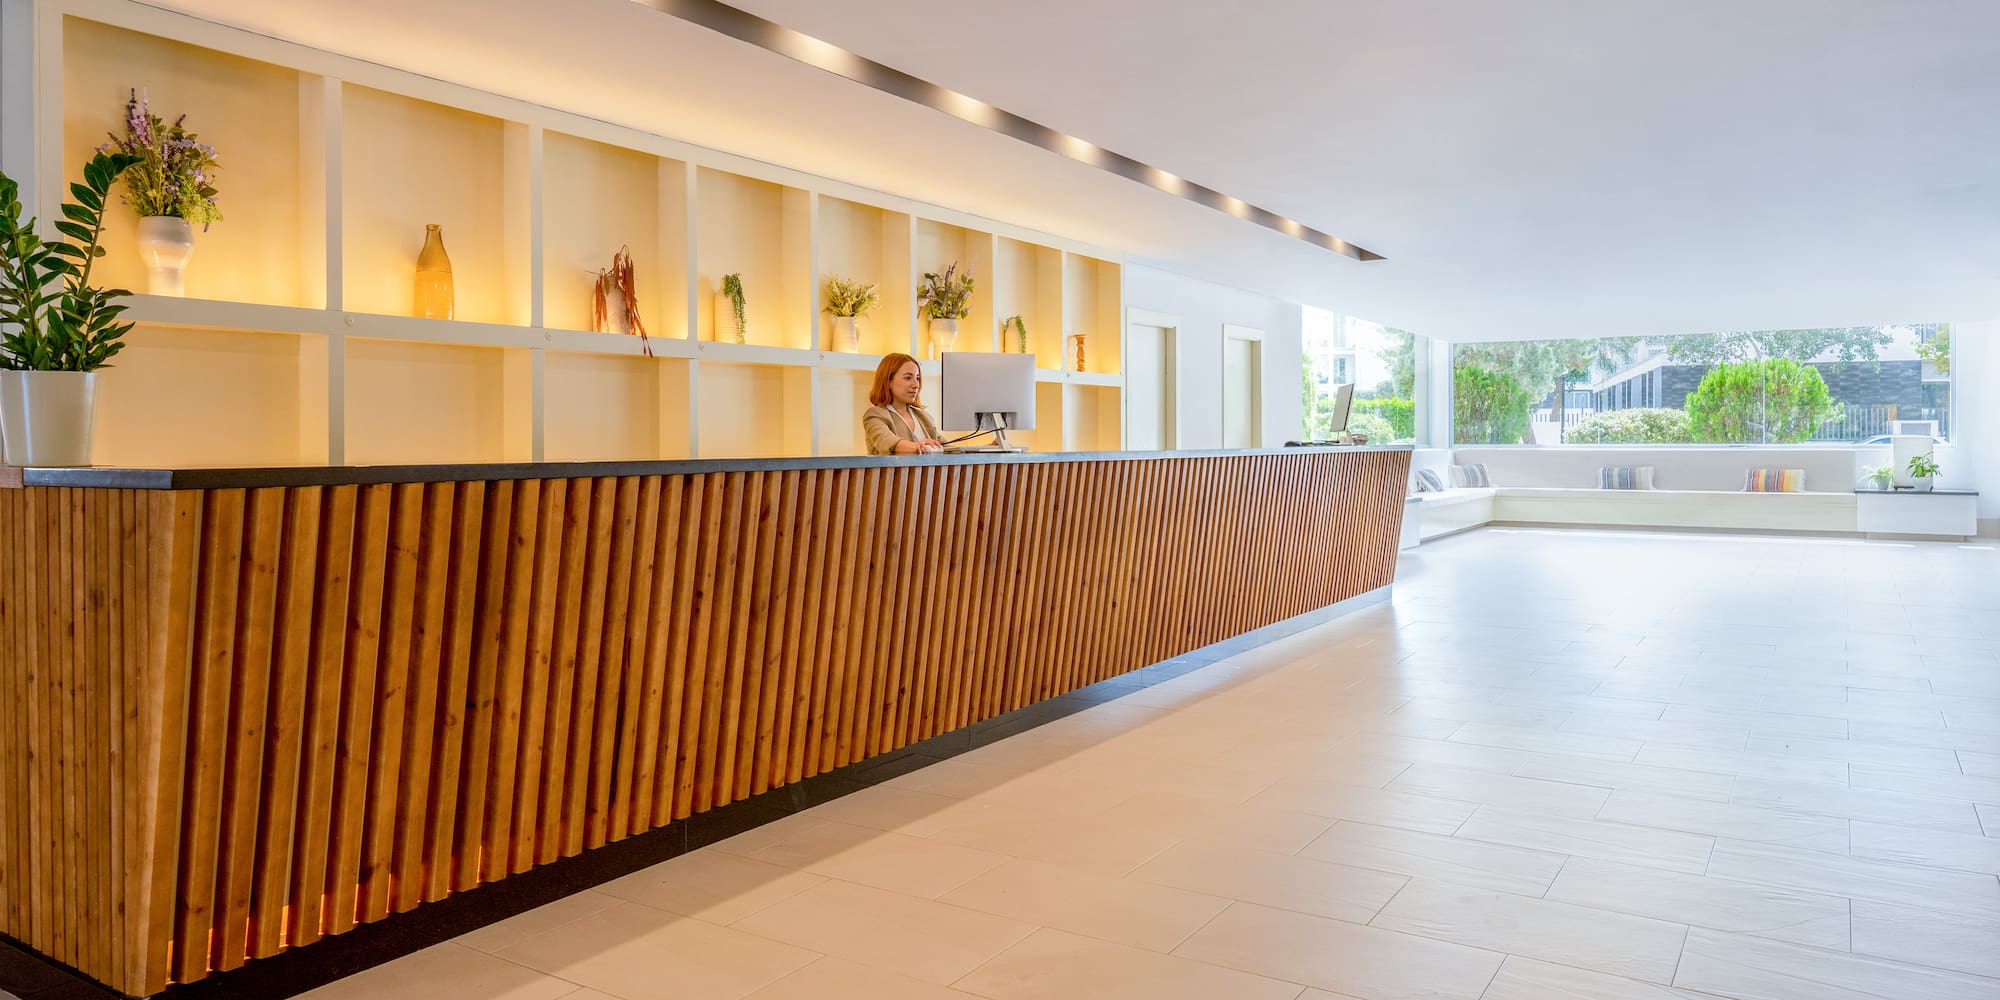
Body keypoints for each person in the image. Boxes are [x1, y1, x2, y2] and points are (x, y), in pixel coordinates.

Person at [862, 353, 944, 455]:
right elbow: (887, 442)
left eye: (917, 378)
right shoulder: (874, 415)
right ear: (888, 381)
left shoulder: (924, 417)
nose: (916, 385)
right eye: (908, 378)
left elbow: (946, 447)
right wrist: (920, 447)